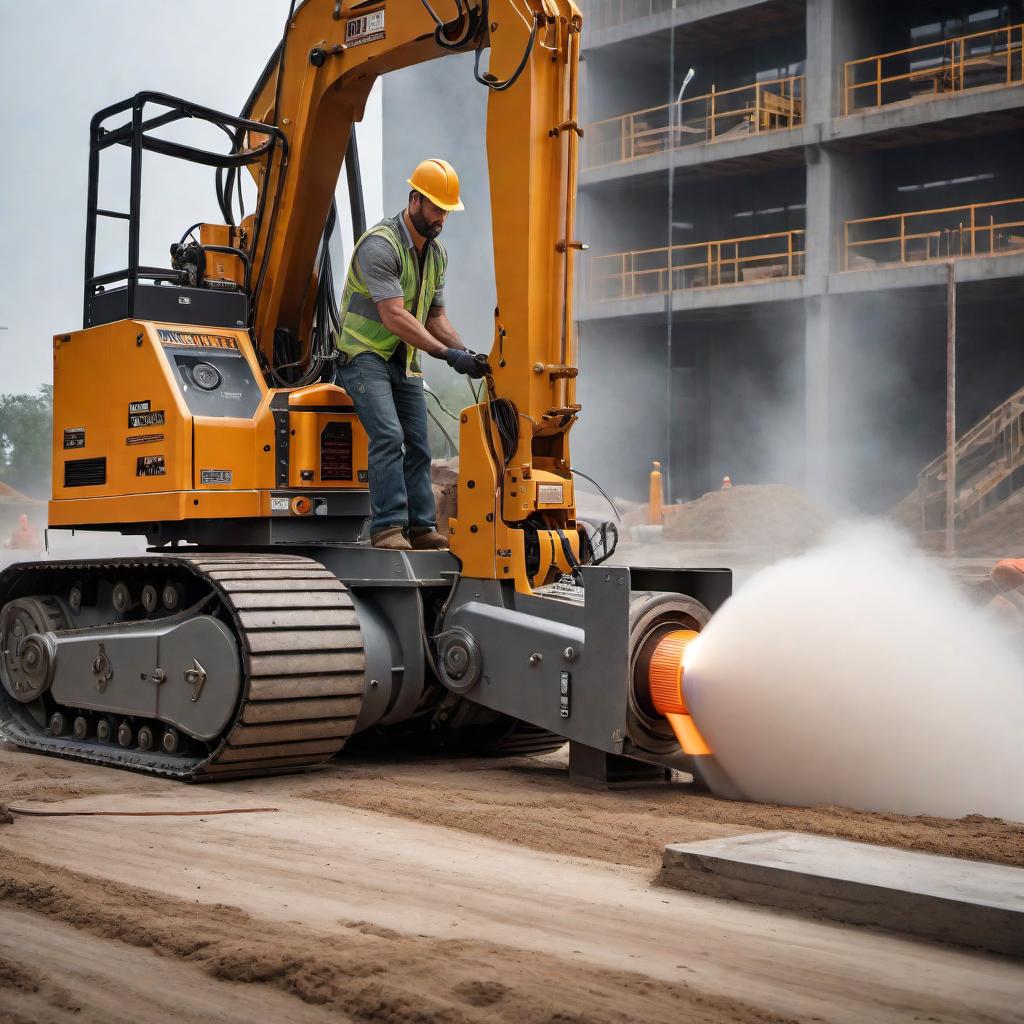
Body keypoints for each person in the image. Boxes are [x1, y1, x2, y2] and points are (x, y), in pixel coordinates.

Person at [336, 158, 489, 550]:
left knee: (419, 444)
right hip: (363, 354)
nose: (441, 218)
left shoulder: (437, 256)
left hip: (403, 360)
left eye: (446, 211)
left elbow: (436, 317)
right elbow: (394, 316)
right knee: (389, 435)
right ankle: (387, 527)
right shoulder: (380, 246)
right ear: (414, 200)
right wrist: (445, 355)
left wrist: (467, 353)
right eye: (436, 208)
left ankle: (421, 527)